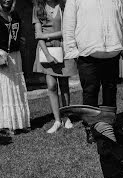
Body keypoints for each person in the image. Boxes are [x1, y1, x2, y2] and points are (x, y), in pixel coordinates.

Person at [63, 0, 123, 141]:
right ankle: (91, 127)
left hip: (112, 52)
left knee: (110, 89)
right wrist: (72, 51)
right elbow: (68, 26)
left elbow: (122, 21)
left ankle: (110, 125)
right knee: (90, 91)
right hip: (88, 53)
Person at [33, 0, 77, 134]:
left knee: (64, 85)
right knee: (51, 86)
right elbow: (37, 35)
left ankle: (66, 117)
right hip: (46, 50)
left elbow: (67, 31)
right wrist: (47, 55)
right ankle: (57, 120)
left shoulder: (65, 6)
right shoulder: (38, 8)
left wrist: (46, 35)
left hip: (63, 49)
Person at [0, 0, 30, 136]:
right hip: (1, 56)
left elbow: (19, 34)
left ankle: (19, 122)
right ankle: (5, 125)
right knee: (4, 88)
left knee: (16, 87)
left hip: (15, 56)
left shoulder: (15, 15)